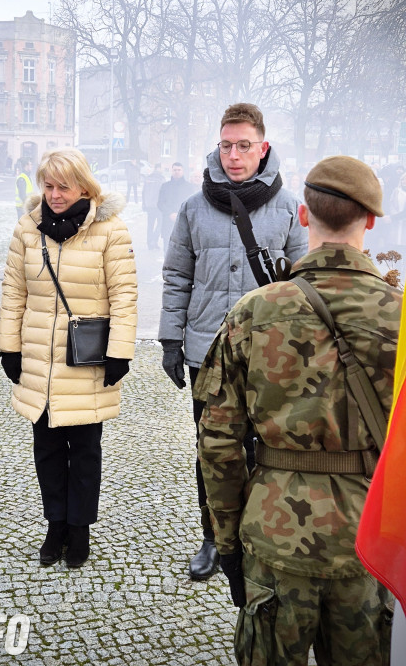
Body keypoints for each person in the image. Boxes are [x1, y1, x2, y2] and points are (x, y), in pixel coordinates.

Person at [195, 156, 400, 665]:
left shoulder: (253, 311)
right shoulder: (400, 314)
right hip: (370, 539)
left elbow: (218, 441)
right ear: (371, 220)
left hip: (274, 534)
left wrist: (226, 543)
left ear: (304, 216)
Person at [158, 103, 307, 581]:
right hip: (208, 353)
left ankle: (260, 535)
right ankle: (212, 537)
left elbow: (306, 282)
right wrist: (169, 338)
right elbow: (177, 274)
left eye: (245, 146)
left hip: (271, 357)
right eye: (227, 145)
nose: (234, 155)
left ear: (262, 148)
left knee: (266, 452)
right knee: (214, 452)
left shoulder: (287, 206)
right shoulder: (192, 206)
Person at [0, 148, 137, 568]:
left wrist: (119, 353)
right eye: (48, 186)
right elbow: (13, 292)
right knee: (48, 450)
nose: (55, 195)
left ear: (83, 186)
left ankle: (80, 528)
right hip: (40, 356)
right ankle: (55, 524)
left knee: (86, 451)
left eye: (63, 186)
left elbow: (125, 297)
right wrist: (10, 346)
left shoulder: (110, 230)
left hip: (87, 358)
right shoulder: (28, 228)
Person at [157, 162, 195, 246]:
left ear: (183, 171)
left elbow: (192, 204)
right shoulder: (165, 186)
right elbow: (160, 203)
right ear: (171, 171)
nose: (177, 172)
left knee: (183, 253)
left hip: (184, 222)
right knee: (167, 249)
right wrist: (170, 213)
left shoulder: (189, 187)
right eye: (175, 170)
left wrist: (180, 214)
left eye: (179, 170)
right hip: (168, 221)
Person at [142, 163, 165, 249]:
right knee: (160, 223)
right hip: (158, 205)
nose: (163, 170)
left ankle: (149, 243)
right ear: (158, 168)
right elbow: (163, 192)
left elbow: (143, 191)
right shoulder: (162, 179)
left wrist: (144, 204)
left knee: (150, 224)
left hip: (149, 205)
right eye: (162, 168)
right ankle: (154, 241)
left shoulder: (148, 178)